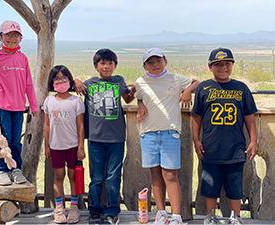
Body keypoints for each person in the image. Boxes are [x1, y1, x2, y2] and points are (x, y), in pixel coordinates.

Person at [192, 47, 257, 225]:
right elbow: (196, 116)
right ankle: (211, 216)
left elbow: (249, 116)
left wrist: (253, 140)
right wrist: (196, 140)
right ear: (210, 67)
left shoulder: (241, 88)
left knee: (235, 187)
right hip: (210, 147)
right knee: (210, 185)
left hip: (236, 148)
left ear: (232, 65)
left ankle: (235, 217)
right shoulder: (204, 87)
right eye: (218, 64)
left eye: (227, 64)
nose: (223, 68)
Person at [135, 48, 199, 225]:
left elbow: (196, 83)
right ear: (144, 66)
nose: (155, 65)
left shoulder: (176, 79)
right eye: (150, 62)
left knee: (170, 175)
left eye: (158, 60)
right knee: (155, 175)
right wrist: (140, 104)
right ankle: (161, 212)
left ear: (165, 61)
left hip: (170, 134)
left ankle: (176, 215)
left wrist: (186, 92)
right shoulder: (141, 82)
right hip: (148, 134)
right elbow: (138, 96)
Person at [73, 48, 135, 225]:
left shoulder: (119, 81)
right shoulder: (88, 84)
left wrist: (137, 90)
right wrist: (75, 80)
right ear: (96, 66)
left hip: (116, 138)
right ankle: (94, 211)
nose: (106, 66)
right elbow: (63, 83)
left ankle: (112, 211)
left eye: (110, 63)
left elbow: (128, 98)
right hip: (95, 138)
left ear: (115, 66)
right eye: (103, 63)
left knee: (114, 176)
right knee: (97, 177)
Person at [0, 20, 38, 186]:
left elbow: (29, 84)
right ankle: (3, 170)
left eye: (16, 35)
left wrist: (34, 105)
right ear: (0, 37)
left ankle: (16, 169)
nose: (12, 38)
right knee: (3, 139)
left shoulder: (23, 59)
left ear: (20, 39)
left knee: (16, 140)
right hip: (2, 107)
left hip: (18, 107)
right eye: (8, 34)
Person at [44, 65, 86, 224]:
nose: (60, 81)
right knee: (58, 176)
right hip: (56, 146)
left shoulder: (76, 101)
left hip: (73, 145)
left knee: (73, 176)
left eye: (64, 78)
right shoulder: (49, 101)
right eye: (57, 78)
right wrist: (47, 146)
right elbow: (47, 125)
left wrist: (81, 147)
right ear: (52, 82)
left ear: (69, 80)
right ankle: (59, 208)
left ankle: (74, 208)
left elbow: (81, 125)